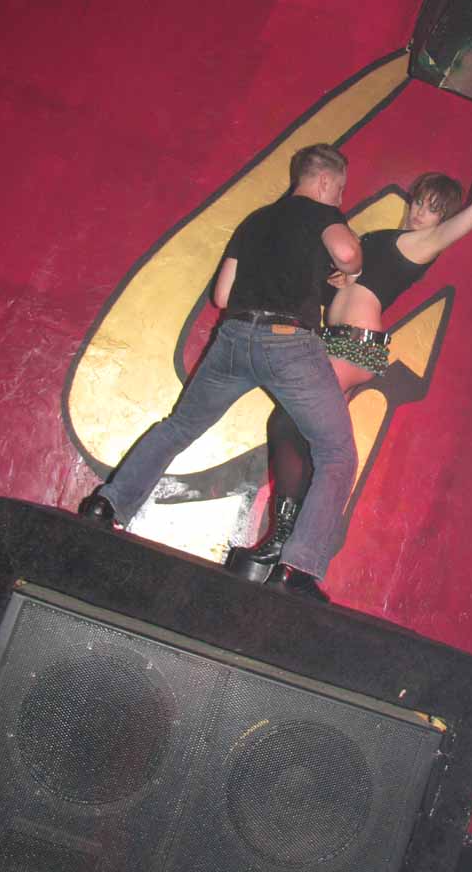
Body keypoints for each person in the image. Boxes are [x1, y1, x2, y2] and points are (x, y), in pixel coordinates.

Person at [80, 143, 363, 602]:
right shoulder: (320, 213)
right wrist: (351, 271)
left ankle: (106, 504)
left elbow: (223, 295)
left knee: (179, 426)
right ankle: (297, 568)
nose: (341, 198)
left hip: (233, 337)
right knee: (336, 453)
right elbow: (348, 252)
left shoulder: (256, 221)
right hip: (288, 341)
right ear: (325, 181)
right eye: (341, 189)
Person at [231, 126, 472, 578]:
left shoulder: (423, 244)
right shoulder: (385, 238)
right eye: (418, 202)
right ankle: (290, 547)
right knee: (302, 433)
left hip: (355, 344)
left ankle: (283, 539)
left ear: (442, 218)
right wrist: (336, 280)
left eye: (432, 209)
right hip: (334, 340)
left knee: (288, 422)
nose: (419, 213)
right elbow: (340, 279)